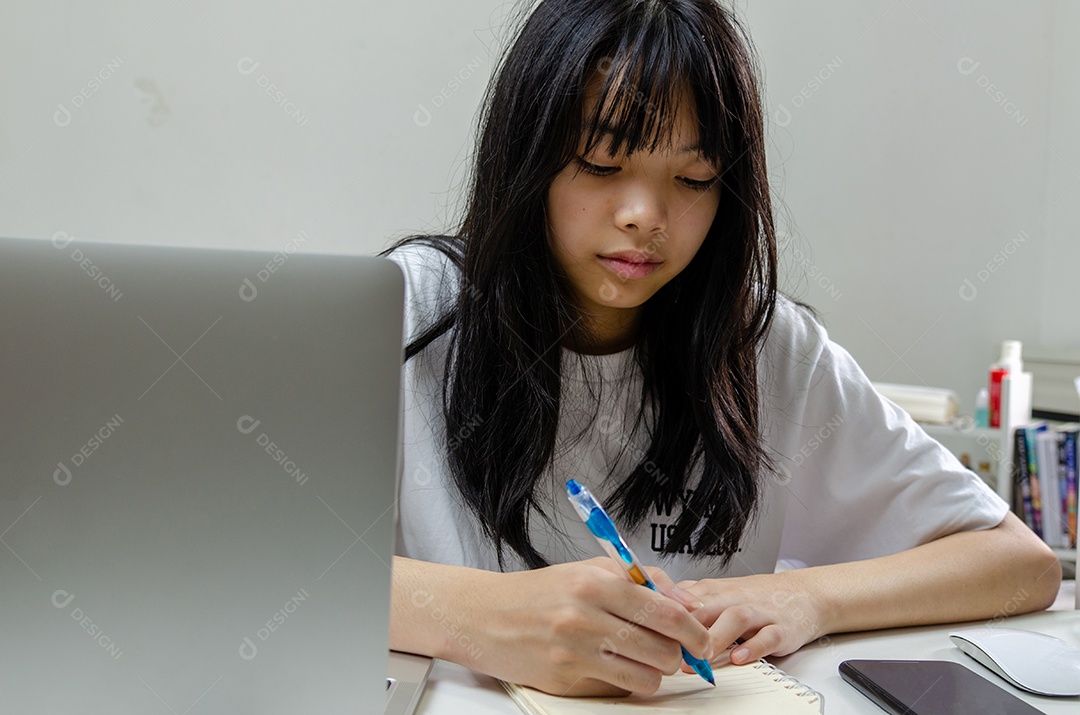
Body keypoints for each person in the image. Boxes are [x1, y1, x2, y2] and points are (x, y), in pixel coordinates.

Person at [383, 0, 1061, 698]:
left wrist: (805, 597)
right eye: (601, 161)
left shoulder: (762, 344)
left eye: (694, 178)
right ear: (526, 155)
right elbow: (267, 558)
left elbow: (1018, 562)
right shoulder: (409, 311)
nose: (645, 214)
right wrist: (483, 618)